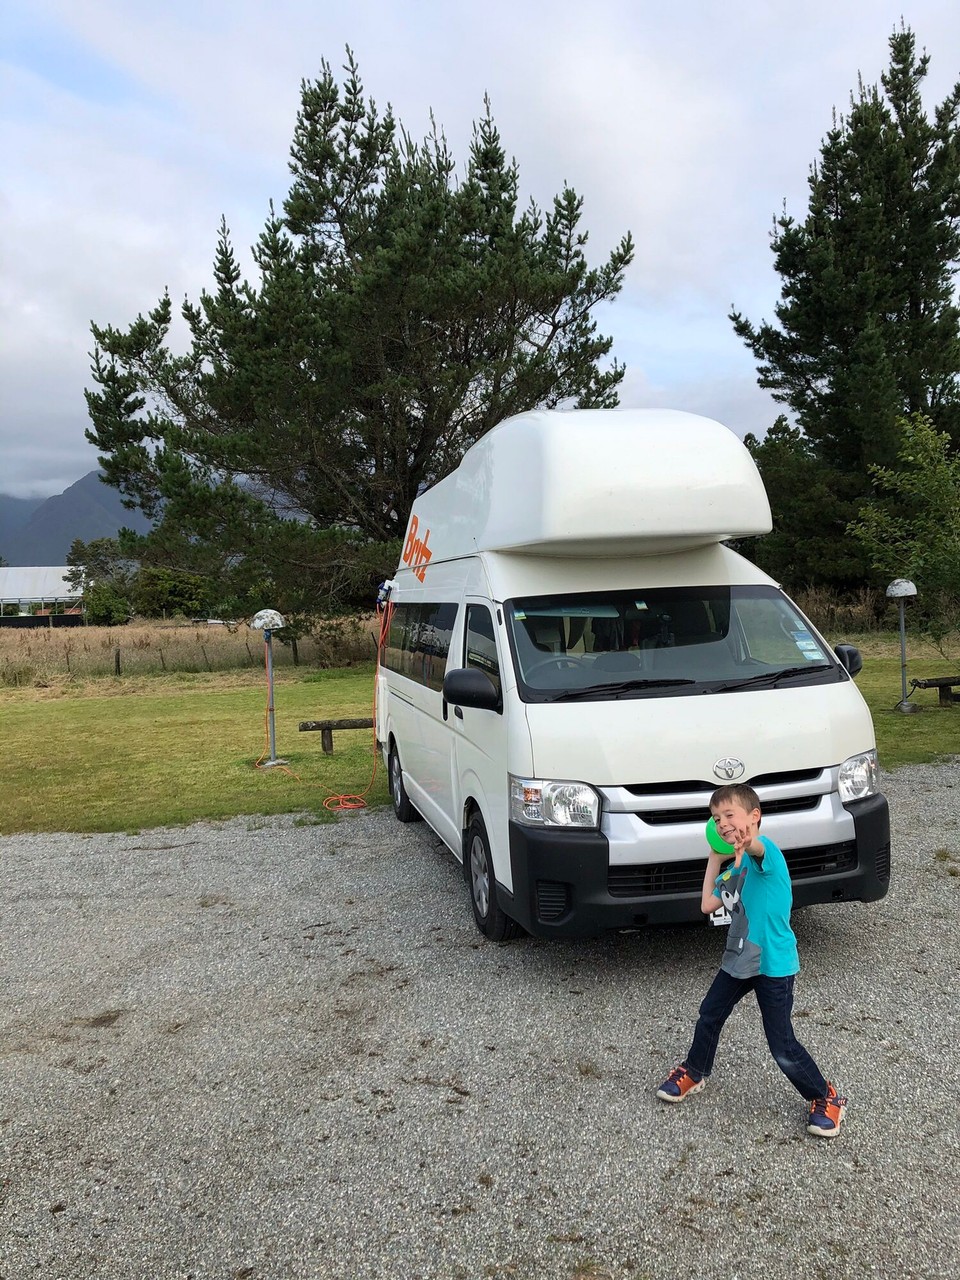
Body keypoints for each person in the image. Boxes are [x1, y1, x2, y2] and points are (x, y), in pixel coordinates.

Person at [655, 783, 847, 1138]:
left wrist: (748, 843)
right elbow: (707, 905)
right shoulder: (734, 871)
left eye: (730, 815)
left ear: (754, 816)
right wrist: (716, 856)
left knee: (782, 1045)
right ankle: (695, 1071)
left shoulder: (766, 855)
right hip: (739, 959)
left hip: (773, 964)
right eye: (716, 818)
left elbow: (756, 846)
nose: (723, 822)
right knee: (710, 1013)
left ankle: (825, 1096)